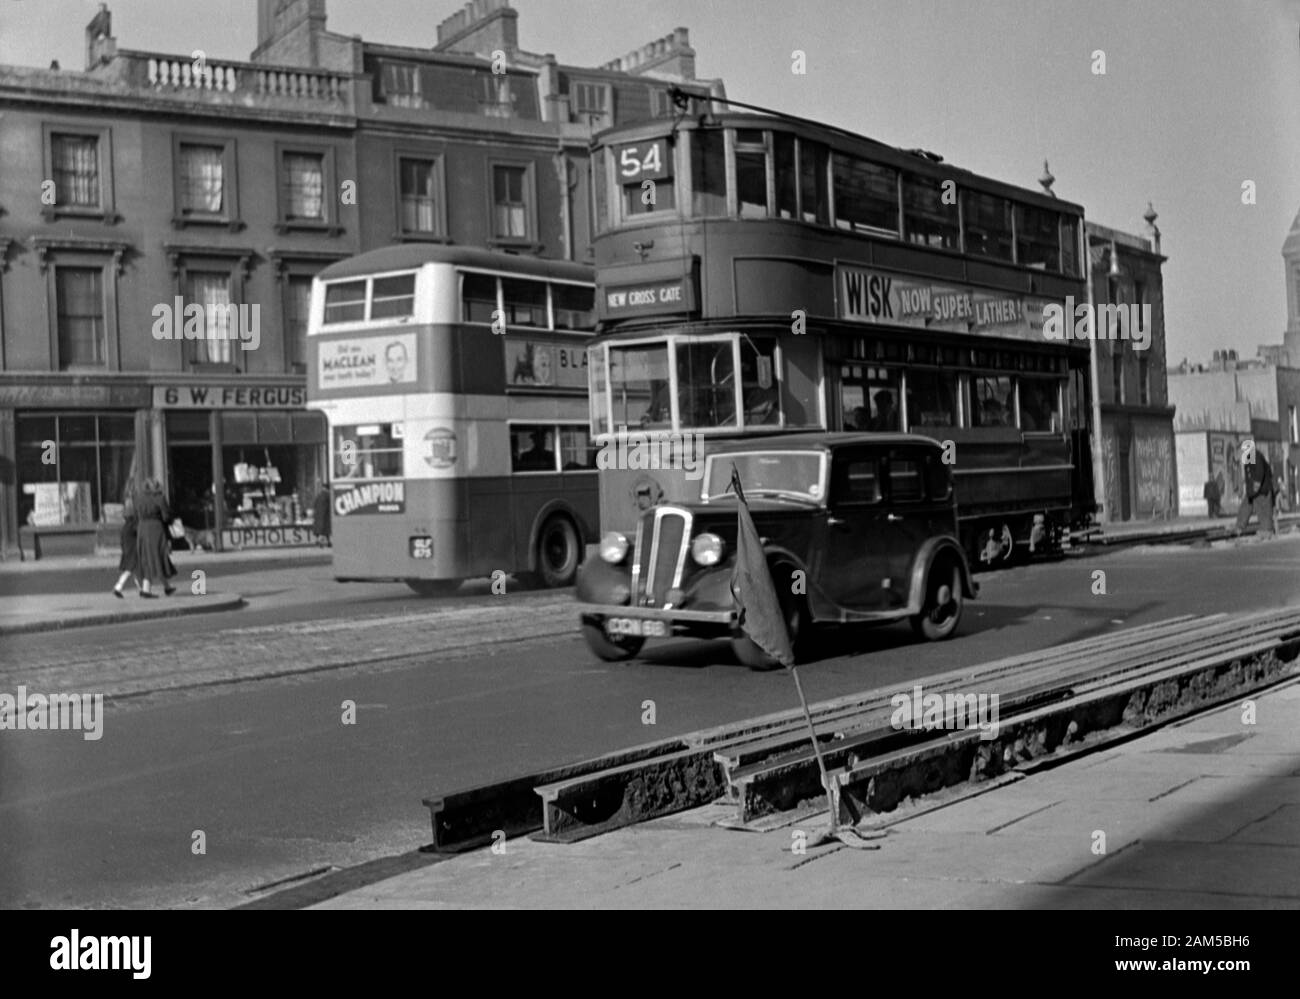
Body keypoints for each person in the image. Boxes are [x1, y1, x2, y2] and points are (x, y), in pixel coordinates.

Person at [135, 478, 177, 597]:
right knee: (159, 556)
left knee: (147, 558)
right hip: (156, 529)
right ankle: (150, 589)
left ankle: (162, 587)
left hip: (142, 529)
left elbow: (135, 514)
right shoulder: (159, 498)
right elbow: (166, 517)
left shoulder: (139, 498)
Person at [1235, 451, 1275, 538]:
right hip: (1253, 490)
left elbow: (1259, 471)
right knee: (1245, 507)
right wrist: (1247, 490)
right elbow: (1249, 475)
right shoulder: (1249, 458)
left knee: (1263, 509)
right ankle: (1239, 527)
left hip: (1261, 489)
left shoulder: (1255, 456)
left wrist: (1256, 486)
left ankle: (1267, 530)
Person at [112, 490, 141, 597]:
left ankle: (142, 589)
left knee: (136, 570)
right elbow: (139, 534)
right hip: (133, 550)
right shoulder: (134, 524)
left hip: (127, 549)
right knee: (130, 569)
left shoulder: (125, 527)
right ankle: (118, 587)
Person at [312, 481, 332, 547]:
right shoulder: (329, 495)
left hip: (318, 515)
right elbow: (331, 505)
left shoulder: (319, 495)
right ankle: (326, 542)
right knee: (326, 529)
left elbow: (314, 504)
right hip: (326, 515)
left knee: (320, 529)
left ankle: (319, 540)